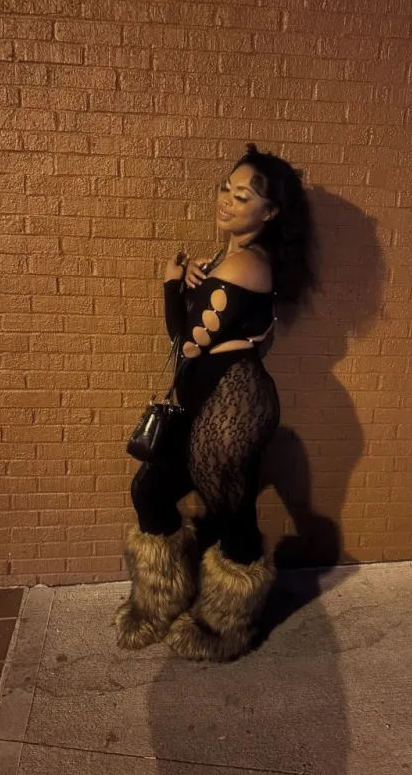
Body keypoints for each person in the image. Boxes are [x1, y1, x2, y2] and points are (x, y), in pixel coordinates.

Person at [115, 143, 314, 662]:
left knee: (231, 514)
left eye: (242, 196)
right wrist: (192, 286)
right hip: (210, 401)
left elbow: (186, 344)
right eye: (226, 187)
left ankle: (226, 625)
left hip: (232, 406)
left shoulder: (244, 264)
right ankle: (161, 599)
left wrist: (169, 283)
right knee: (151, 491)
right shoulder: (231, 259)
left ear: (269, 212)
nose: (227, 199)